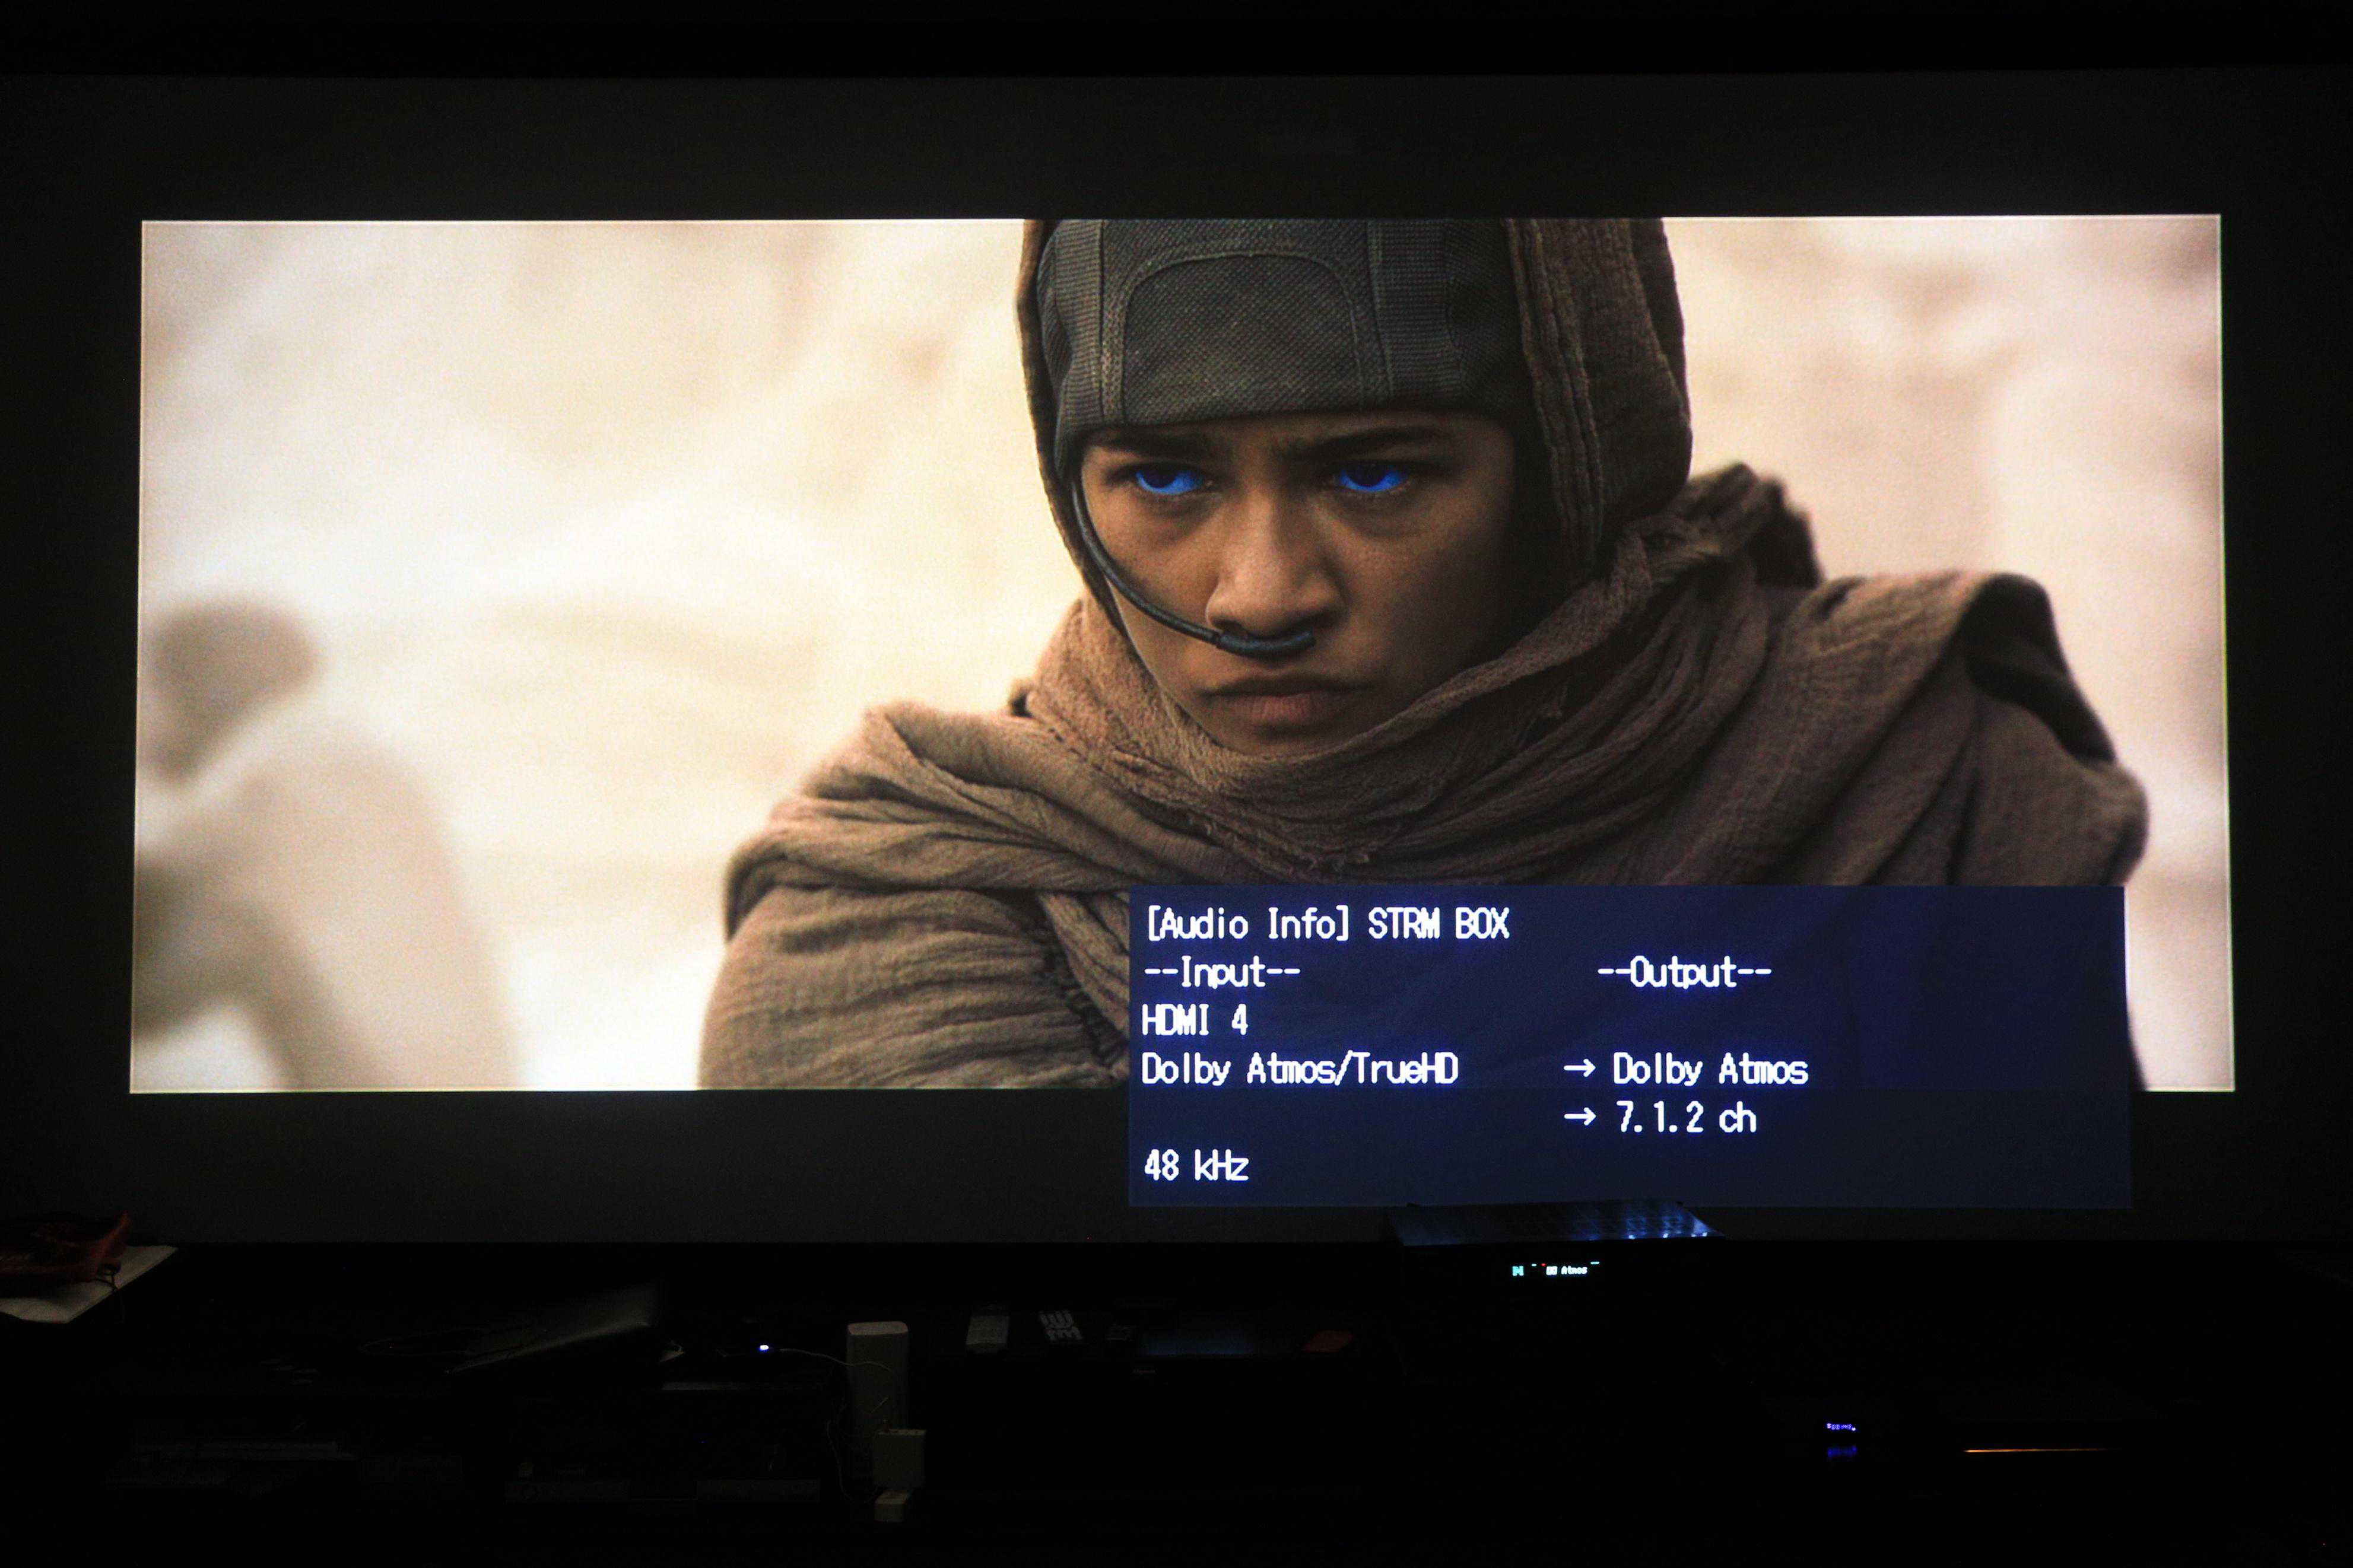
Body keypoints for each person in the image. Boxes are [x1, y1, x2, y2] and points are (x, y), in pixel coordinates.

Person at [701, 220, 2145, 1089]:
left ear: (1570, 471)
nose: (1258, 596)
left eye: (1374, 473)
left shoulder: (1916, 794)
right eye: (1165, 480)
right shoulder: (899, 925)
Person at [133, 600, 517, 1089]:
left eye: (149, 687)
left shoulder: (267, 768)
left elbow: (156, 983)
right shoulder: (344, 754)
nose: (142, 714)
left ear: (198, 687)